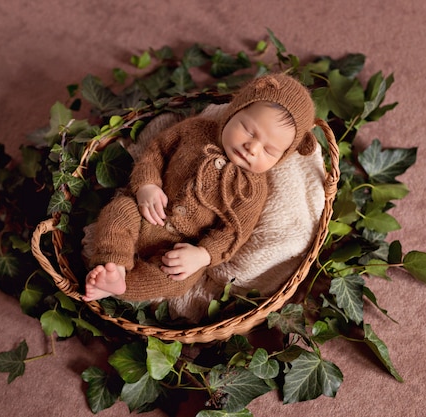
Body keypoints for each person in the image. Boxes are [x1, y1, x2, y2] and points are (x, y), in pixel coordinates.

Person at [82, 73, 318, 302]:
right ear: (234, 110)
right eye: (248, 130)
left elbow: (233, 233)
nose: (252, 148)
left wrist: (202, 255)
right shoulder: (196, 130)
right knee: (119, 211)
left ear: (281, 157)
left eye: (268, 151)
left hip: (180, 248)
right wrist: (147, 185)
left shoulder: (252, 190)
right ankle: (114, 263)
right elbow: (157, 152)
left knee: (178, 280)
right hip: (145, 214)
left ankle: (119, 285)